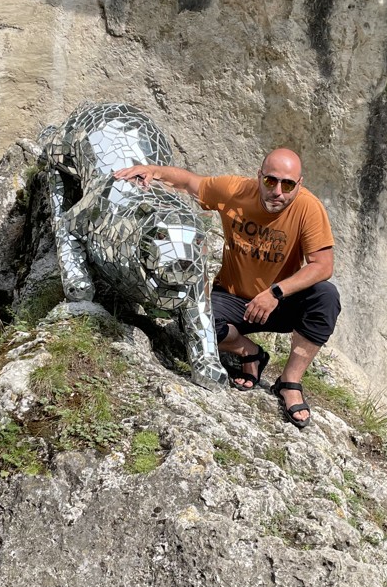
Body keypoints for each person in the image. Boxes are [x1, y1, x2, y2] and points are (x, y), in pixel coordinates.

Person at [114, 148, 340, 428]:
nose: (278, 191)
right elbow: (189, 182)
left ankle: (289, 382)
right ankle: (250, 353)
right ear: (259, 177)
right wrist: (152, 171)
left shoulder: (308, 207)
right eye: (270, 181)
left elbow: (322, 265)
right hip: (233, 298)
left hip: (279, 302)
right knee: (192, 319)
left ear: (299, 184)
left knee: (326, 297)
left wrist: (275, 292)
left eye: (288, 184)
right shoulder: (235, 191)